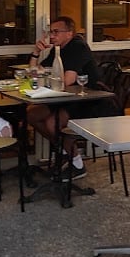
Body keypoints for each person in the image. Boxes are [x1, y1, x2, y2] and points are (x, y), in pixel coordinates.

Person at [27, 16, 101, 180]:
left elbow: (67, 81)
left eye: (56, 32)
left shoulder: (77, 47)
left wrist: (44, 77)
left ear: (69, 33)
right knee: (32, 113)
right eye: (50, 32)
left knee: (51, 123)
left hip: (87, 99)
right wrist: (36, 52)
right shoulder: (57, 49)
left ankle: (77, 164)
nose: (51, 36)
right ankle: (63, 151)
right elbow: (34, 72)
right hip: (65, 97)